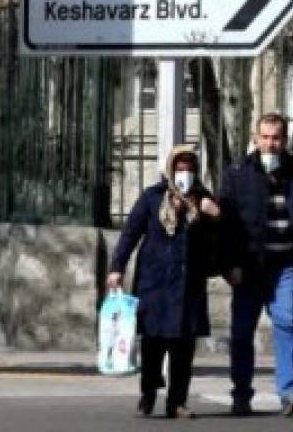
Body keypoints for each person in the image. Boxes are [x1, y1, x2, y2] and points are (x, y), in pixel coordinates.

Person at [220, 113, 293, 418]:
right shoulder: (238, 173)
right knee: (242, 333)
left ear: (284, 140)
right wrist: (230, 264)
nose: (270, 143)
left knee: (286, 323)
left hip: (284, 265)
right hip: (249, 266)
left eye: (276, 137)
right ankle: (241, 394)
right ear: (255, 138)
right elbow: (228, 225)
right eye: (265, 137)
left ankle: (289, 393)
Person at [107, 145, 222, 419]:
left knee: (183, 348)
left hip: (188, 286)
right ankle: (147, 396)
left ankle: (177, 402)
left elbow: (218, 242)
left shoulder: (203, 200)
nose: (185, 174)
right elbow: (130, 233)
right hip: (155, 283)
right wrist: (116, 268)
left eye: (190, 169)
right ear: (170, 169)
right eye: (180, 169)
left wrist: (215, 217)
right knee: (153, 345)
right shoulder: (152, 197)